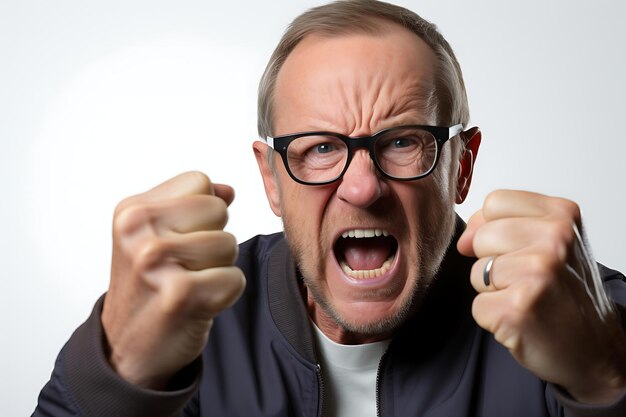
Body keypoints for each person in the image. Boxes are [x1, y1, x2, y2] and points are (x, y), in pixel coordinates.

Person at [34, 0, 626, 416]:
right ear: (270, 178)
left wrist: (604, 374)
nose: (363, 188)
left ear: (461, 165)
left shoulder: (580, 312)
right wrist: (118, 377)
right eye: (320, 148)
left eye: (401, 141)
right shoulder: (192, 320)